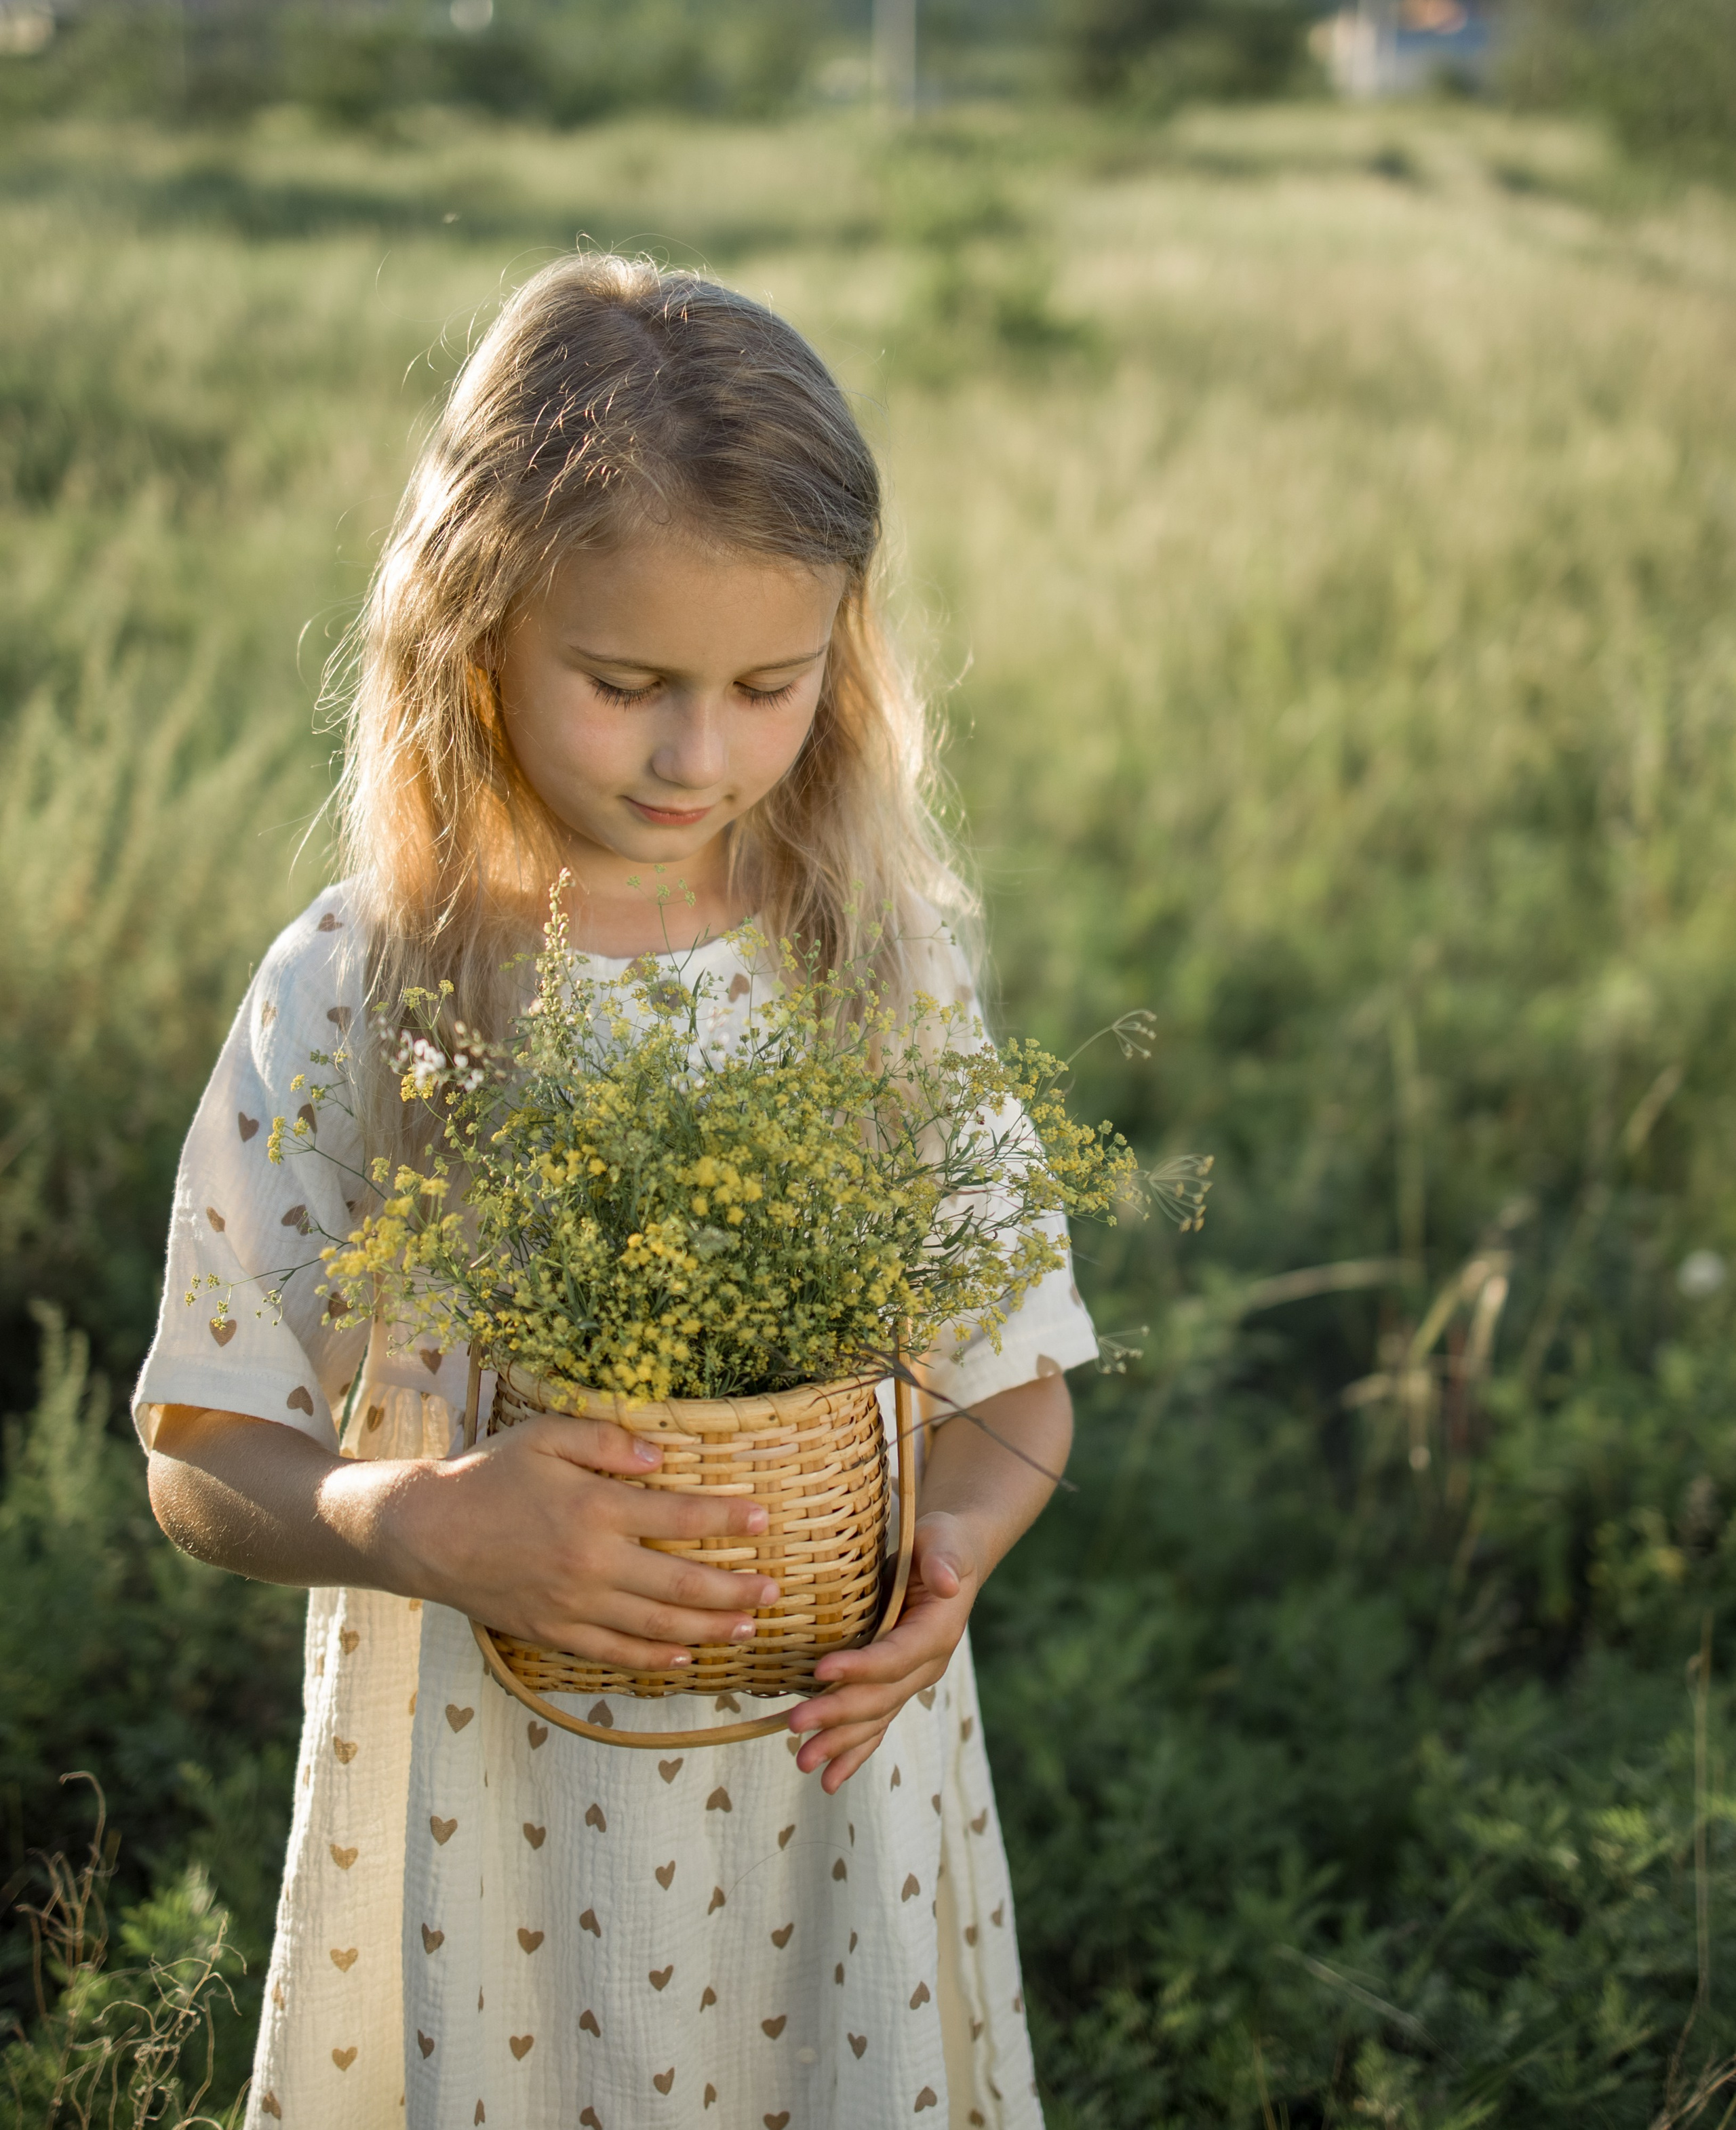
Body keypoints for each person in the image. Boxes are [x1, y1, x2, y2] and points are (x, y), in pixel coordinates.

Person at [138, 254, 1099, 2130]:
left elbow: (1017, 1386)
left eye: (770, 686)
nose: (699, 755)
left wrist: (957, 1558)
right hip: (491, 1818)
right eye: (628, 683)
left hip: (836, 1811)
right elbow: (197, 1452)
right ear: (471, 628)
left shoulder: (873, 969)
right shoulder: (356, 988)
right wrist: (401, 1521)